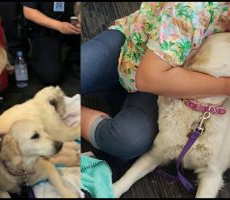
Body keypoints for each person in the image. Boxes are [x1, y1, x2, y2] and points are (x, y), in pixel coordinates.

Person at [81, 2, 230, 160]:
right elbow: (148, 78)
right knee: (62, 73)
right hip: (130, 47)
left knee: (128, 140)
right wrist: (225, 86)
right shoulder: (194, 8)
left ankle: (67, 113)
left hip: (169, 88)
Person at [21, 2, 81, 85]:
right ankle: (37, 57)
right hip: (45, 28)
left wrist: (81, 16)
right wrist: (59, 26)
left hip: (72, 23)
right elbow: (28, 11)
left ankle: (74, 56)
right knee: (50, 77)